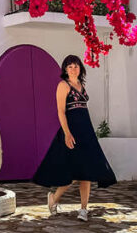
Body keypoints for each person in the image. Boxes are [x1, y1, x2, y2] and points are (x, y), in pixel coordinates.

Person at [32, 54, 117, 221]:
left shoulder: (81, 85)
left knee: (86, 173)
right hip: (72, 133)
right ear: (65, 69)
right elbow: (61, 111)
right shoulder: (63, 86)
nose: (73, 69)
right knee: (71, 173)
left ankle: (83, 210)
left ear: (80, 68)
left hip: (86, 132)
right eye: (70, 66)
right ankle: (54, 199)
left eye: (76, 66)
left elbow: (83, 110)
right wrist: (67, 134)